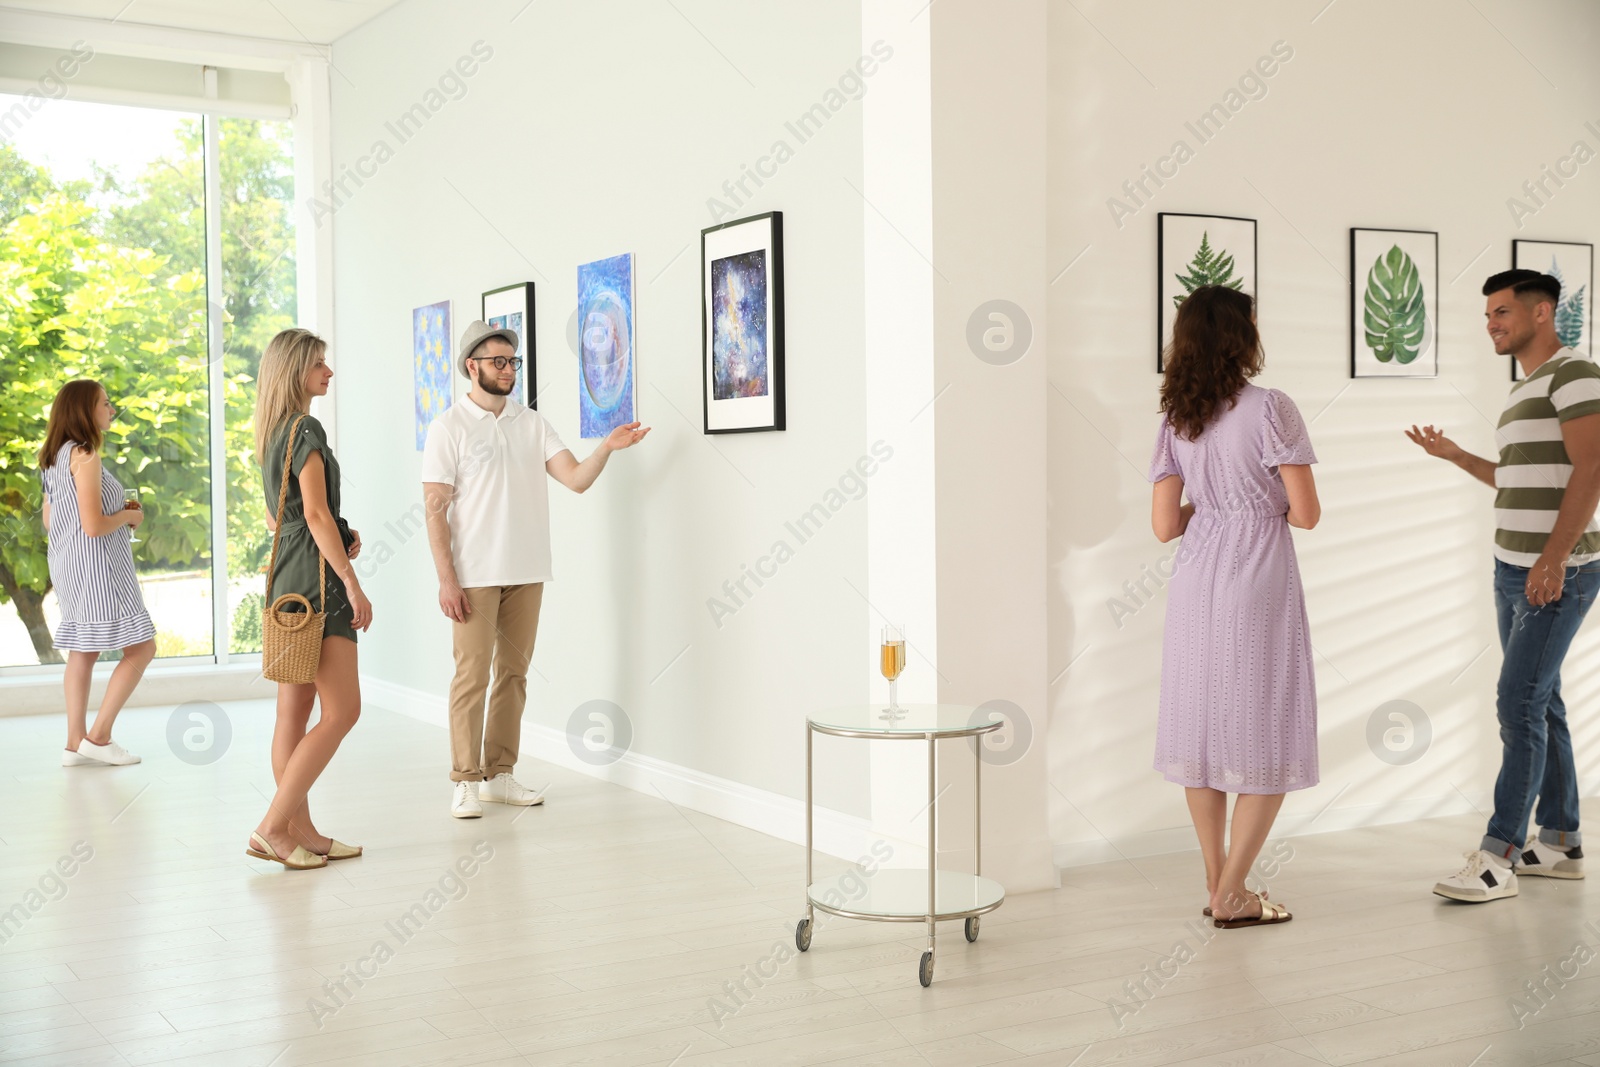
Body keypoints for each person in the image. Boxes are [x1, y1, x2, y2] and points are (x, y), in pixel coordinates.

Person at [1408, 269, 1599, 903]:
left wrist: (1553, 558)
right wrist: (1458, 456)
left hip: (1558, 571)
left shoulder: (1575, 375)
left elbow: (1592, 466)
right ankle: (1563, 840)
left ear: (1542, 313)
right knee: (1542, 703)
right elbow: (1520, 481)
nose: (1491, 323)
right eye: (1487, 314)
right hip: (1511, 567)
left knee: (1517, 704)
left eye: (1501, 312)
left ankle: (1498, 859)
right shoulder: (1527, 391)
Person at [422, 320, 649, 818]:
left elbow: (575, 479)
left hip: (527, 571)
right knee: (471, 677)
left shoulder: (532, 423)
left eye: (512, 362)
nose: (508, 370)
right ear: (471, 367)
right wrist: (446, 578)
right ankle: (464, 780)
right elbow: (435, 508)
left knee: (514, 675)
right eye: (498, 362)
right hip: (473, 575)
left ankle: (499, 775)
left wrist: (606, 448)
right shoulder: (448, 428)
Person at [1147, 285, 1321, 928]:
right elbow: (1305, 514)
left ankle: (1218, 883)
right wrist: (1254, 503)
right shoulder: (1272, 407)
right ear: (1241, 335)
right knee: (1265, 728)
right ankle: (1234, 892)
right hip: (1258, 581)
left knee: (1202, 729)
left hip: (1196, 583)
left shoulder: (1176, 418)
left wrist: (1214, 507)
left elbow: (1166, 526)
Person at [247, 328, 371, 870]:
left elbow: (285, 518)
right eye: (320, 363)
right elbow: (315, 515)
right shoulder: (306, 427)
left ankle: (302, 832)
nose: (329, 371)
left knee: (293, 711)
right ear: (297, 370)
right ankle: (274, 826)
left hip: (287, 579)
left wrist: (339, 532)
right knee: (343, 709)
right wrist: (351, 580)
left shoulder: (272, 433)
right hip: (318, 581)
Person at [38, 380, 156, 767]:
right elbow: (92, 525)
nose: (112, 408)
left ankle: (75, 743)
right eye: (105, 403)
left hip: (67, 564)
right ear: (84, 410)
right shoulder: (85, 454)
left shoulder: (54, 457)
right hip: (98, 565)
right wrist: (129, 515)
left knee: (83, 650)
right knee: (142, 647)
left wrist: (112, 514)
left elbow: (50, 519)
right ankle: (100, 736)